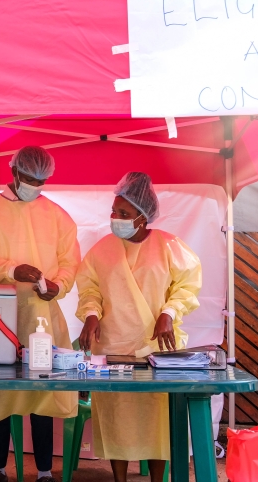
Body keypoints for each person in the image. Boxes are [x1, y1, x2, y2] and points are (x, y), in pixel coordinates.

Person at [0, 146, 80, 482]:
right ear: (14, 172)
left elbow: (71, 262)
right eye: (30, 178)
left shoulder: (58, 216)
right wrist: (12, 269)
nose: (36, 185)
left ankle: (44, 473)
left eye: (42, 180)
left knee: (42, 391)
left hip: (42, 313)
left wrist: (59, 285)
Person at [76, 172, 202, 482]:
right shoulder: (101, 250)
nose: (115, 218)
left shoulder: (169, 246)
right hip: (113, 346)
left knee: (156, 419)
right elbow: (89, 288)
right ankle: (119, 479)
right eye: (114, 212)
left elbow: (187, 286)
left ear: (142, 217)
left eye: (124, 214)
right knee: (116, 416)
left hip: (155, 349)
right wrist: (91, 314)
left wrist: (170, 312)